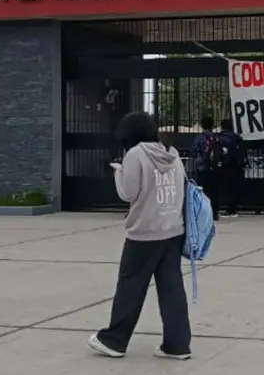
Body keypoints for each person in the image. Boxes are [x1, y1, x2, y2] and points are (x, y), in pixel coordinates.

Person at [88, 111, 192, 360]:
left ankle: (114, 340)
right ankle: (177, 345)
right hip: (173, 229)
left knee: (131, 286)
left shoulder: (135, 155)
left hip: (145, 233)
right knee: (172, 288)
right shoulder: (172, 153)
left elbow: (128, 193)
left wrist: (118, 171)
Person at [191, 116, 222, 221]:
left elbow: (194, 152)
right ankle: (215, 213)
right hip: (215, 168)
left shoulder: (199, 138)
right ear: (212, 125)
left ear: (201, 125)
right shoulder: (217, 138)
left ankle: (204, 213)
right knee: (214, 190)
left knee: (203, 192)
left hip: (202, 168)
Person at [218, 118, 244, 218]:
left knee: (226, 187)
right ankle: (233, 208)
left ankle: (228, 209)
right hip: (237, 165)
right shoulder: (237, 138)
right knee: (234, 187)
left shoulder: (222, 138)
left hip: (226, 165)